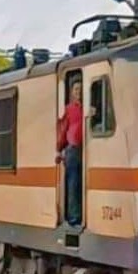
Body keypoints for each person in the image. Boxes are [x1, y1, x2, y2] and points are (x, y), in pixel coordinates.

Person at [57, 80, 85, 227]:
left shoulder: (87, 108)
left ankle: (81, 213)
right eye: (76, 89)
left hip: (85, 148)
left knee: (82, 183)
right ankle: (73, 217)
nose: (78, 92)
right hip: (72, 149)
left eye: (80, 89)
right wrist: (58, 148)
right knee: (73, 183)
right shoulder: (68, 109)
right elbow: (62, 129)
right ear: (72, 92)